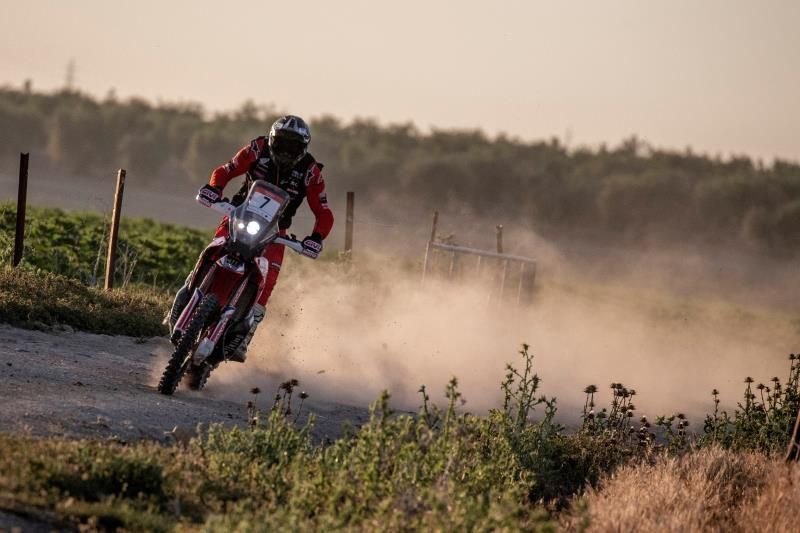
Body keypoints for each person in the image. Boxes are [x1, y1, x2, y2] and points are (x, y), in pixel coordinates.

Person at [169, 115, 334, 361]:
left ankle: (245, 336)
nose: (286, 151)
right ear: (272, 140)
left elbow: (324, 212)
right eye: (282, 144)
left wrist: (316, 238)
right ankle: (188, 294)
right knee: (213, 249)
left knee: (268, 281)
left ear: (303, 149)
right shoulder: (257, 148)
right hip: (238, 215)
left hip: (275, 231)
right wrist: (214, 189)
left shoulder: (311, 171)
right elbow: (225, 171)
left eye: (293, 146)